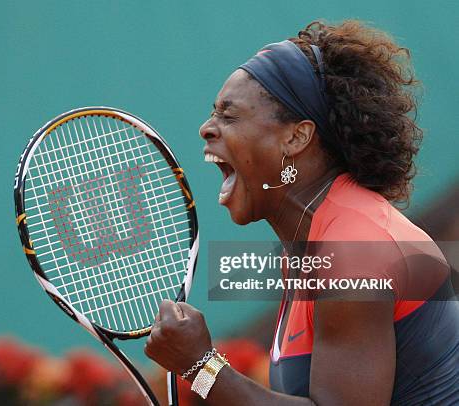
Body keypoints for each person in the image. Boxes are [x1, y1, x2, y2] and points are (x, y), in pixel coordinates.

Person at [144, 20, 459, 405]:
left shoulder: (353, 248)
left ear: (296, 137)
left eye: (229, 116)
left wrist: (199, 367)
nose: (206, 129)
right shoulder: (309, 248)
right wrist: (199, 370)